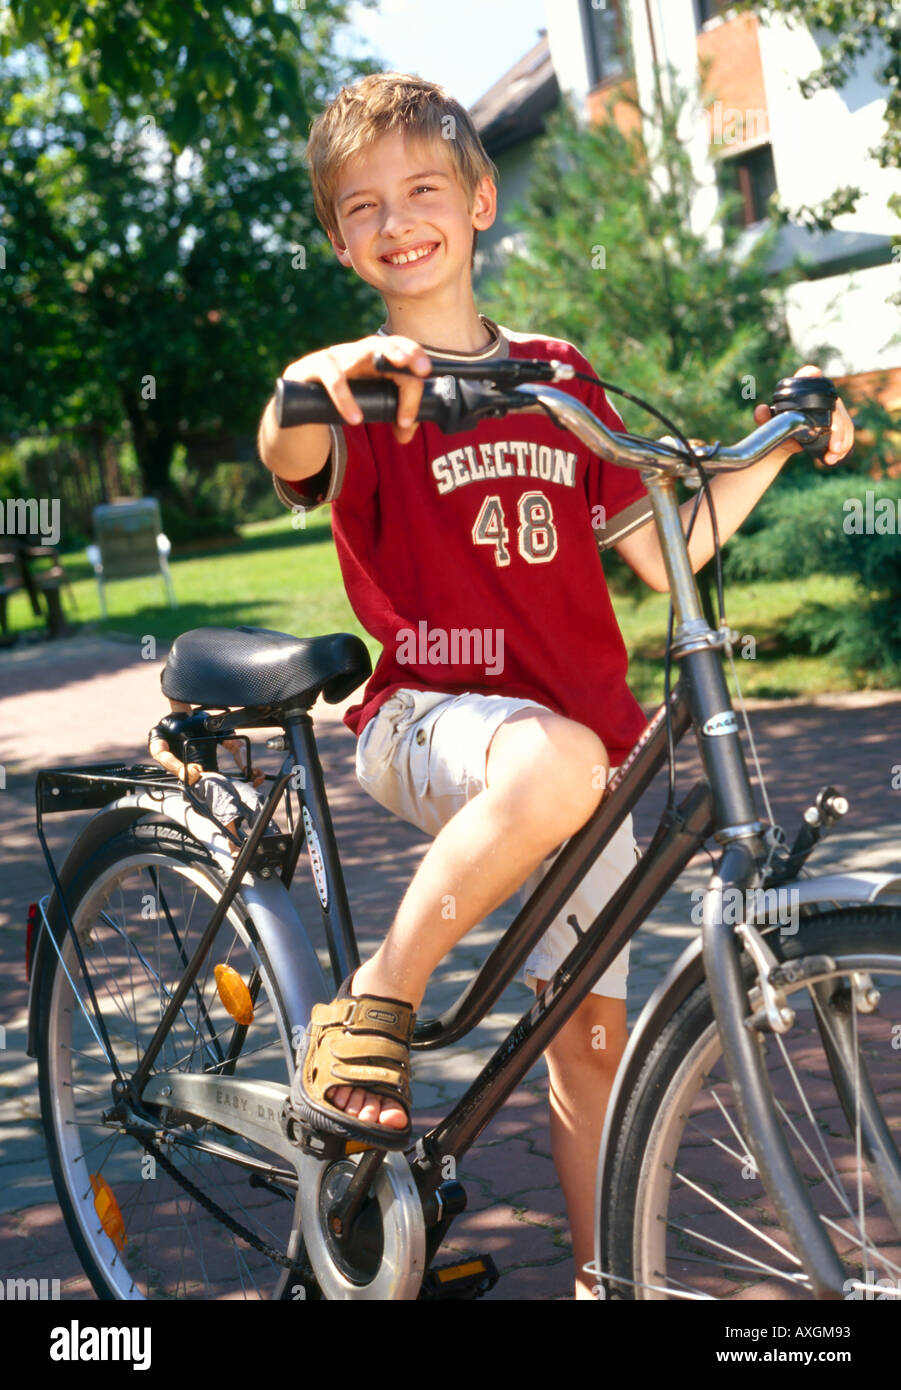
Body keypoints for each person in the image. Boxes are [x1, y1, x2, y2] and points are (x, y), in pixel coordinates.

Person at [256, 71, 854, 1298]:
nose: (397, 217)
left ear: (480, 201)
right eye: (362, 206)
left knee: (588, 1037)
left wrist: (781, 441)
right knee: (559, 760)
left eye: (424, 187)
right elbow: (289, 444)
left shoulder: (556, 375)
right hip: (426, 718)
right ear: (338, 239)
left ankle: (603, 1278)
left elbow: (666, 547)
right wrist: (321, 381)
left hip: (575, 752)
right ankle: (375, 1006)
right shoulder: (363, 379)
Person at [148, 700, 266, 857]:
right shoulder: (164, 726)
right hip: (195, 782)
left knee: (251, 795)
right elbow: (159, 752)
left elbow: (235, 745)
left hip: (217, 775)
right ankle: (234, 841)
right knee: (216, 788)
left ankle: (270, 840)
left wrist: (246, 767)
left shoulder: (206, 719)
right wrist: (181, 769)